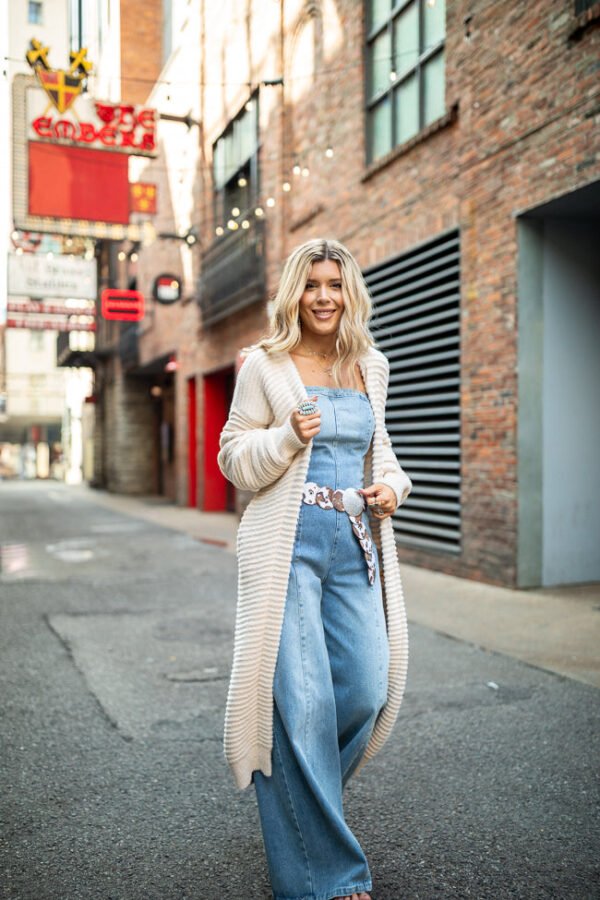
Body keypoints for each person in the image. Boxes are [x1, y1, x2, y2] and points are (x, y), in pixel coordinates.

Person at [218, 238, 412, 900]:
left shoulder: (370, 365)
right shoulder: (265, 365)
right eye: (311, 284)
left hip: (354, 543)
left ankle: (300, 810)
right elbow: (233, 457)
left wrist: (392, 488)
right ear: (293, 293)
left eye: (334, 284)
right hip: (288, 544)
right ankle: (327, 875)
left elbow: (382, 453)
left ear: (350, 291)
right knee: (304, 703)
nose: (323, 296)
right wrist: (286, 438)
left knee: (366, 688)